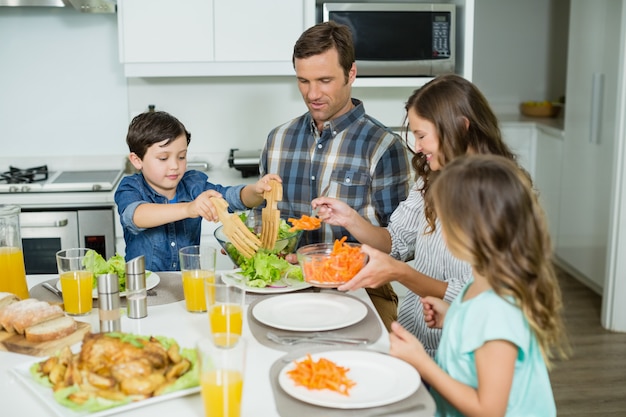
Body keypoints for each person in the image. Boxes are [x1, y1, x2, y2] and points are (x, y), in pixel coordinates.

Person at [313, 74, 519, 355]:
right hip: (416, 341)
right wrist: (349, 218)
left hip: (465, 351)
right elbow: (396, 240)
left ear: (460, 127)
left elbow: (481, 295)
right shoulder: (432, 179)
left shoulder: (502, 196)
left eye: (422, 135)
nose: (418, 147)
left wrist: (401, 273)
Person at [389, 154, 570, 416]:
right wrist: (452, 316)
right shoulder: (482, 284)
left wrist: (422, 363)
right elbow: (478, 329)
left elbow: (488, 410)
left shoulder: (499, 311)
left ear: (470, 230)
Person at [259, 21, 412, 330]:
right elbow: (266, 223)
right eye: (303, 81)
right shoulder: (277, 140)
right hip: (285, 287)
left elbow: (400, 246)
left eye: (325, 80)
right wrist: (252, 241)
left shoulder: (384, 147)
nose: (312, 93)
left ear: (351, 73)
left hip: (361, 290)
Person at [115, 111, 281, 272]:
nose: (174, 165)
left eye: (181, 157)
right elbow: (136, 216)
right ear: (137, 160)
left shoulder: (193, 184)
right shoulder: (131, 187)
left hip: (188, 285)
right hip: (144, 289)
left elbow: (233, 198)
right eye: (163, 158)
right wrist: (189, 208)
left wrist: (256, 191)